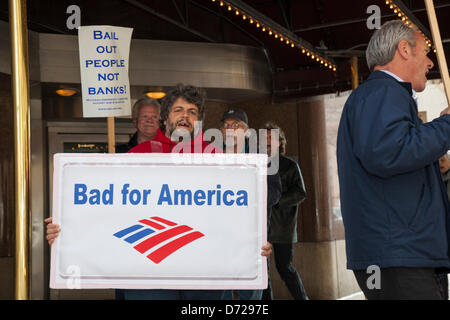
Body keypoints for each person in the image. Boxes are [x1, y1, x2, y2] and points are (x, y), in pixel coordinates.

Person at [45, 84, 272, 300]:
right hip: (150, 281)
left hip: (205, 280)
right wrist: (68, 225)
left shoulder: (220, 160)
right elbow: (108, 211)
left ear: (199, 120)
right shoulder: (139, 155)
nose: (185, 116)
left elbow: (238, 214)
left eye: (192, 112)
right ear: (166, 118)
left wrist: (255, 239)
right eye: (178, 110)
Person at [337, 20, 450, 300]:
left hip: (400, 252)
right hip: (400, 253)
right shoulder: (382, 92)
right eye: (425, 52)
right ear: (404, 50)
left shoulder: (379, 96)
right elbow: (390, 153)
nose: (430, 62)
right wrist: (446, 125)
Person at [219, 108, 281, 300]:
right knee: (221, 292)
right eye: (226, 125)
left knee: (251, 294)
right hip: (220, 238)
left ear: (246, 131)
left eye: (235, 125)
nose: (229, 129)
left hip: (253, 238)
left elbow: (275, 193)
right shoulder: (212, 155)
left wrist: (248, 197)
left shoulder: (262, 157)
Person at [262, 122, 308, 300]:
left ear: (280, 142)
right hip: (262, 227)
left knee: (284, 268)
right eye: (264, 138)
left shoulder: (290, 165)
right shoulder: (258, 163)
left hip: (283, 228)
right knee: (262, 273)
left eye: (271, 138)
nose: (267, 142)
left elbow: (300, 192)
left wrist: (276, 201)